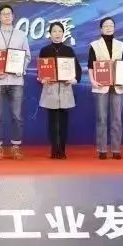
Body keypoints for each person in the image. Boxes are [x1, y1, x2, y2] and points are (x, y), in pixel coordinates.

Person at [0, 4, 31, 160]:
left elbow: (27, 56)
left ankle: (16, 146)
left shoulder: (21, 35)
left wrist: (21, 69)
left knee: (17, 115)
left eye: (9, 13)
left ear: (13, 16)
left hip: (16, 80)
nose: (7, 16)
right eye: (3, 14)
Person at [38, 22, 81, 159]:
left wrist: (73, 79)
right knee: (52, 121)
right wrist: (43, 79)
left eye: (59, 31)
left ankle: (62, 150)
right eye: (54, 31)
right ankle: (54, 149)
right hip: (50, 89)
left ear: (63, 33)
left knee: (63, 122)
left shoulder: (68, 50)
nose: (57, 34)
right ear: (50, 34)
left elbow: (77, 69)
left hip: (65, 89)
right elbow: (40, 70)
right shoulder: (44, 50)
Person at [88, 16, 123, 160]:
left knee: (117, 118)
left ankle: (116, 149)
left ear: (114, 28)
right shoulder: (94, 45)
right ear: (101, 29)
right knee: (101, 118)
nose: (109, 28)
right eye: (106, 26)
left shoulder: (121, 45)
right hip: (101, 85)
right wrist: (92, 80)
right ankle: (102, 149)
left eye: (111, 25)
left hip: (118, 86)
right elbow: (91, 65)